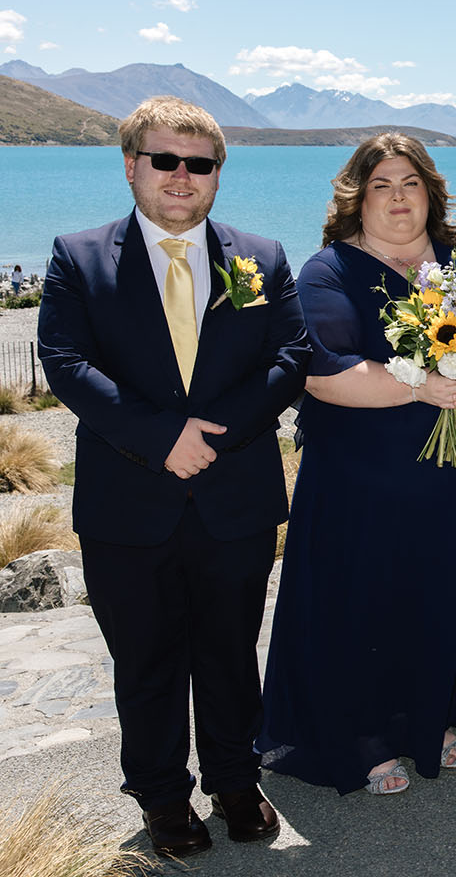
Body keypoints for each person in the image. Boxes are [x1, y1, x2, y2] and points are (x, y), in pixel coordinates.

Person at [37, 96, 309, 857]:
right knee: (147, 662)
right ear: (132, 166)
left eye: (200, 164)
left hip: (235, 498)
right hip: (130, 501)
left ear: (218, 174)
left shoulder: (263, 257)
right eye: (164, 161)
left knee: (229, 650)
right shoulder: (77, 255)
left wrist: (209, 440)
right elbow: (65, 361)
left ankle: (233, 779)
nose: (182, 177)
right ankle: (160, 796)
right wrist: (164, 440)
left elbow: (290, 358)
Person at [258, 134, 456, 795]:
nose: (399, 198)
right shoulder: (330, 271)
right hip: (363, 480)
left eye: (411, 184)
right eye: (382, 186)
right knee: (369, 603)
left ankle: (431, 716)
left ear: (431, 193)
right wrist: (425, 385)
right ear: (357, 197)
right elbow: (324, 372)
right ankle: (361, 737)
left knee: (445, 591)